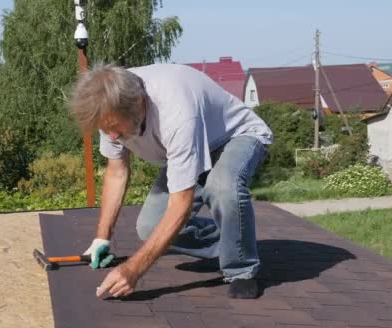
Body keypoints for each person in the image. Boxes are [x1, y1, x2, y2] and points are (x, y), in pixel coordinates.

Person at [69, 63, 273, 299]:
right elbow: (116, 172)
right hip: (188, 146)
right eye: (106, 129)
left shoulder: (175, 110)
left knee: (222, 187)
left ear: (138, 104)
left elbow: (180, 205)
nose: (112, 136)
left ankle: (241, 270)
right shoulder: (109, 106)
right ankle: (228, 246)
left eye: (114, 128)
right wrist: (101, 238)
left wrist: (133, 270)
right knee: (149, 226)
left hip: (236, 136)